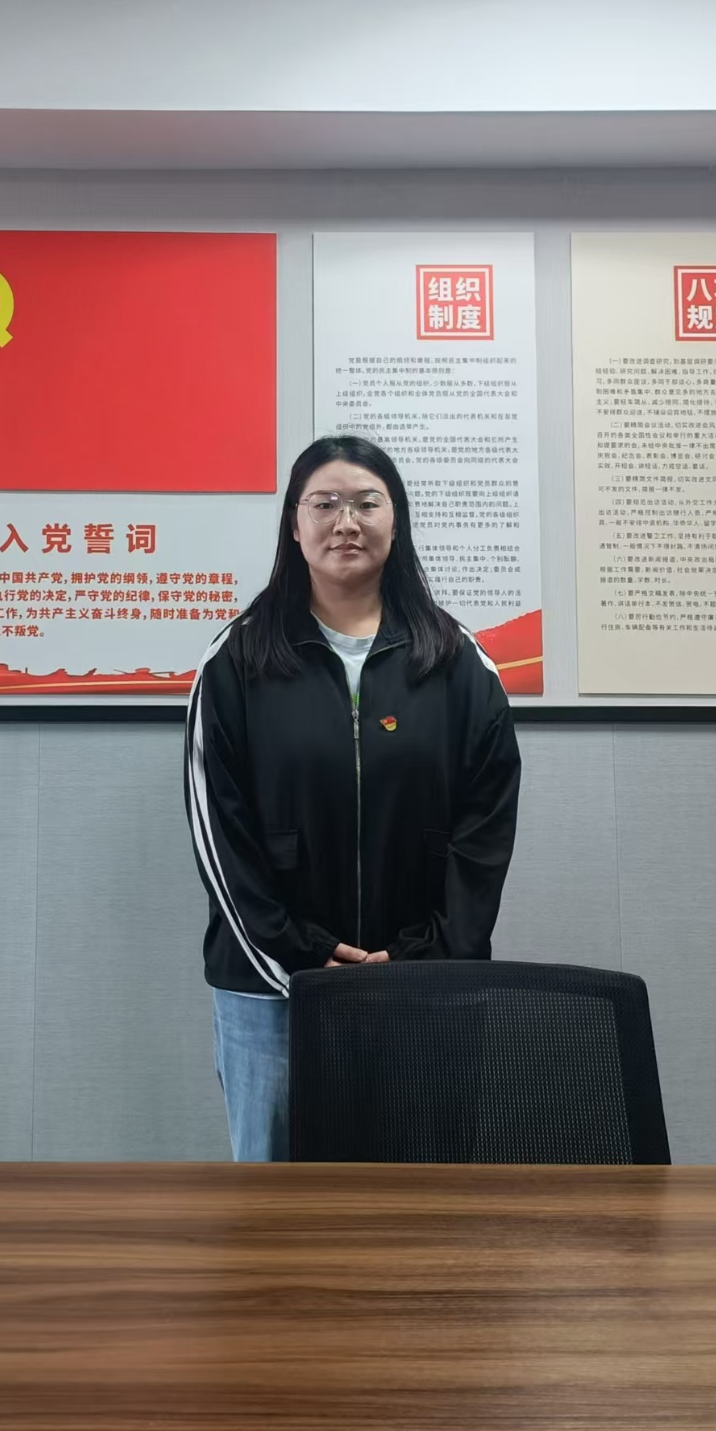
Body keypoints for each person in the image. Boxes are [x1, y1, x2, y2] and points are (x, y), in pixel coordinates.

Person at [184, 435, 520, 1162]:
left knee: (422, 1187)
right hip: (272, 990)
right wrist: (296, 953)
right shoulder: (238, 659)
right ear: (293, 523)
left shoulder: (457, 661)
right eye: (325, 504)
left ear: (395, 522)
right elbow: (220, 834)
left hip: (422, 983)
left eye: (367, 503)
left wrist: (430, 952)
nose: (346, 522)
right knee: (277, 1198)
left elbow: (486, 829)